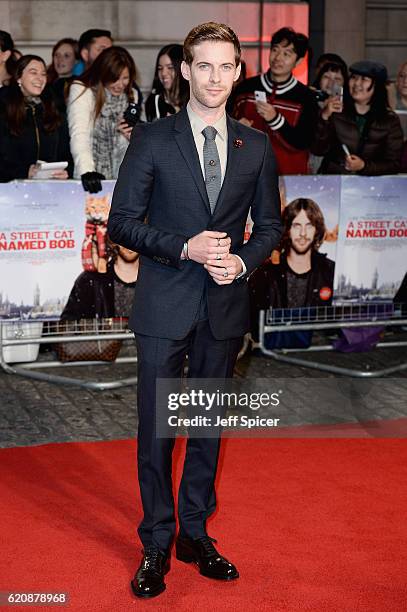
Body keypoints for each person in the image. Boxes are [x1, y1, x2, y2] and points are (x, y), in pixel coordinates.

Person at [108, 21, 281, 599]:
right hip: (164, 302)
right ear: (185, 71)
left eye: (225, 65)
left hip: (224, 305)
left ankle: (194, 534)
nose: (214, 77)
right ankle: (156, 540)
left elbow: (271, 226)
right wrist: (184, 246)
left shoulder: (254, 144)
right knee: (157, 432)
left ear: (238, 71)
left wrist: (243, 263)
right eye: (202, 65)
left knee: (206, 427)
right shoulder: (155, 138)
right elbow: (122, 223)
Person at [231, 27, 318, 174]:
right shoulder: (245, 89)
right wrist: (235, 129)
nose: (278, 58)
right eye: (275, 50)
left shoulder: (306, 97)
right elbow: (223, 128)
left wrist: (276, 120)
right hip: (246, 175)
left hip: (289, 179)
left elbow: (304, 142)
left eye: (286, 54)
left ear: (299, 60)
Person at [249, 198, 335, 347]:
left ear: (317, 230)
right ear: (287, 229)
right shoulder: (266, 273)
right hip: (273, 352)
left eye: (309, 225)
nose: (303, 233)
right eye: (296, 225)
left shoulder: (329, 271)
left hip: (319, 351)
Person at [67, 46, 142, 193]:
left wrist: (133, 134)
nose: (121, 84)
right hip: (93, 176)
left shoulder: (132, 94)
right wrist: (87, 171)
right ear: (103, 74)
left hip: (125, 179)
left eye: (125, 78)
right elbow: (79, 133)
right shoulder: (83, 90)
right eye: (115, 78)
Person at [311, 60, 404, 175]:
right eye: (354, 77)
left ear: (377, 86)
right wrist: (324, 116)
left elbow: (393, 164)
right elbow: (318, 149)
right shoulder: (336, 110)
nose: (357, 83)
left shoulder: (389, 120)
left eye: (364, 79)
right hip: (334, 180)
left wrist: (364, 166)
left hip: (371, 187)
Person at [0, 55, 72, 182]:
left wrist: (66, 171)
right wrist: (24, 171)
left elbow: (66, 152)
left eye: (43, 74)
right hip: (10, 191)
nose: (40, 78)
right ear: (19, 77)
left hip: (51, 190)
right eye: (33, 72)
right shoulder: (4, 109)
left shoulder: (53, 109)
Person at [61, 242, 139, 320]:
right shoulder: (88, 280)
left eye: (137, 233)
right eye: (125, 233)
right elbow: (67, 325)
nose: (130, 240)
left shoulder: (150, 280)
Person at [309, 61, 348, 173]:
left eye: (337, 78)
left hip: (335, 167)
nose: (331, 82)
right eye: (326, 76)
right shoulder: (310, 104)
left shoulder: (348, 109)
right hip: (311, 163)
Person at [145, 44, 189, 121]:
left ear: (183, 68)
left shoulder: (195, 99)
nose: (164, 73)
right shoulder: (154, 100)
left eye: (170, 67)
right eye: (160, 68)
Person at [47, 38, 79, 113]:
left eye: (66, 56)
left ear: (76, 60)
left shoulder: (79, 85)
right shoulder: (44, 83)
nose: (60, 60)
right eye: (57, 55)